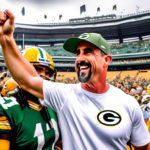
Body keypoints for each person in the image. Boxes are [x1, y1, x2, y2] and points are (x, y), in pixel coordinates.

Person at [0, 9, 150, 150]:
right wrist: (6, 37)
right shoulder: (64, 95)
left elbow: (143, 146)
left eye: (88, 52)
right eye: (78, 53)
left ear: (107, 60)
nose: (80, 58)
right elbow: (27, 79)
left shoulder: (129, 104)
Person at [0, 47, 62, 150]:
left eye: (47, 72)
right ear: (20, 71)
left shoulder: (53, 106)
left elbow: (58, 143)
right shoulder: (6, 108)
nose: (44, 76)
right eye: (37, 69)